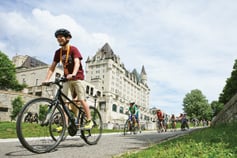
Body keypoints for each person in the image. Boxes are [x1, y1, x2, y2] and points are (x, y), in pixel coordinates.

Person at [43, 28, 93, 130]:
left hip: (77, 77)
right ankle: (64, 125)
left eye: (61, 36)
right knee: (64, 103)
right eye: (57, 37)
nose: (59, 38)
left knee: (81, 99)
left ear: (68, 38)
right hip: (67, 79)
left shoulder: (74, 49)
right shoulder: (58, 53)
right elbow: (52, 67)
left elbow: (77, 62)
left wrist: (73, 73)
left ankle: (89, 120)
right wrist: (47, 79)